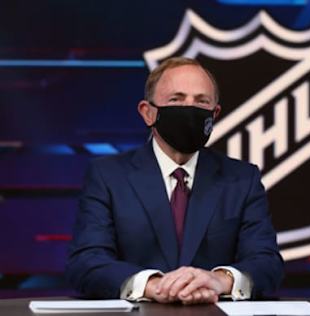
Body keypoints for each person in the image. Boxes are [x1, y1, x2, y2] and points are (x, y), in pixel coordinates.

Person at [65, 57, 284, 305]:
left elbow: (267, 263)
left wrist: (219, 280)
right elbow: (86, 262)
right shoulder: (108, 176)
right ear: (148, 113)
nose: (189, 109)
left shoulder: (243, 179)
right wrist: (153, 285)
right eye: (176, 99)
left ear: (215, 114)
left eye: (201, 101)